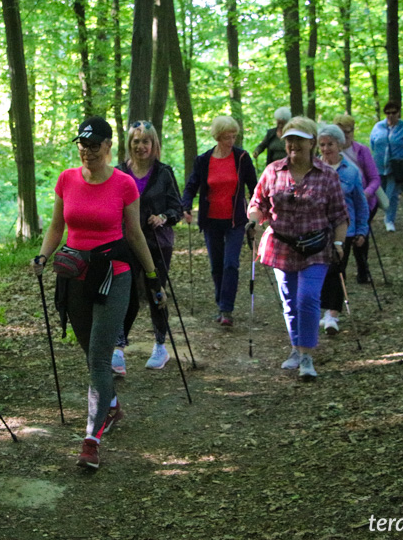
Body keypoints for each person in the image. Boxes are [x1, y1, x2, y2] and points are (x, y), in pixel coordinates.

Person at [32, 116, 166, 470]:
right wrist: (43, 256)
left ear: (108, 146)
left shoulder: (124, 184)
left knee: (98, 358)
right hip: (75, 274)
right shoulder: (66, 179)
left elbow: (134, 233)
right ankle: (111, 404)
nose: (87, 151)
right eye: (82, 144)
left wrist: (152, 276)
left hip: (114, 274)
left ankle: (91, 440)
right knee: (89, 351)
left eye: (94, 145)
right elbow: (57, 225)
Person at [246, 117, 348, 378]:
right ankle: (295, 347)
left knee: (308, 297)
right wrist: (254, 221)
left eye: (299, 139)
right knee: (289, 301)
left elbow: (339, 215)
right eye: (289, 139)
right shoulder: (273, 171)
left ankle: (306, 356)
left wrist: (338, 242)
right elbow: (258, 203)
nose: (293, 144)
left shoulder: (327, 175)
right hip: (281, 246)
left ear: (312, 143)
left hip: (316, 248)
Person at [114, 120, 183, 373]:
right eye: (136, 141)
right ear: (129, 144)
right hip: (126, 242)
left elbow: (177, 208)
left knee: (156, 292)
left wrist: (163, 217)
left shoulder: (164, 173)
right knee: (126, 293)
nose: (141, 146)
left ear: (154, 145)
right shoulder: (119, 172)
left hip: (157, 243)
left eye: (146, 141)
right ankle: (118, 349)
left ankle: (160, 345)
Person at [181, 116, 258, 327]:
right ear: (217, 137)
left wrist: (256, 212)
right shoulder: (204, 160)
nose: (231, 141)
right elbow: (191, 186)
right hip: (211, 220)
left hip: (235, 220)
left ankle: (226, 309)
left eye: (234, 136)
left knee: (231, 264)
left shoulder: (242, 158)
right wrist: (185, 205)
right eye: (226, 137)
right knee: (216, 266)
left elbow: (254, 187)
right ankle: (220, 303)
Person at [316, 125, 369, 335]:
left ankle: (332, 314)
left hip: (346, 229)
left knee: (337, 269)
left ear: (339, 144)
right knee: (321, 270)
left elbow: (360, 203)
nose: (326, 148)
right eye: (322, 144)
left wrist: (362, 231)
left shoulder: (352, 171)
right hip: (319, 230)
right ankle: (322, 309)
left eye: (330, 144)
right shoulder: (315, 170)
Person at [334, 114, 380, 284]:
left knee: (361, 238)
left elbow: (375, 178)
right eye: (342, 132)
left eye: (349, 132)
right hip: (341, 205)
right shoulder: (330, 152)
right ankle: (340, 275)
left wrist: (365, 194)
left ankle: (363, 270)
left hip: (365, 202)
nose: (346, 136)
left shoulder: (362, 151)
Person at [369, 101, 403, 232]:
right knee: (380, 193)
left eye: (393, 112)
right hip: (378, 166)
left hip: (396, 167)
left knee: (392, 194)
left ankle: (389, 220)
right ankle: (377, 215)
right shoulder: (378, 127)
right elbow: (372, 144)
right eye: (388, 113)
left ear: (398, 113)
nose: (390, 115)